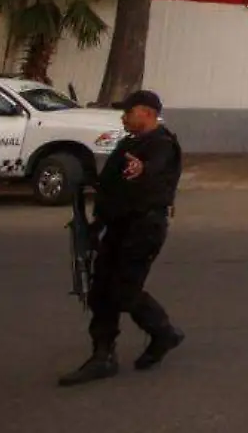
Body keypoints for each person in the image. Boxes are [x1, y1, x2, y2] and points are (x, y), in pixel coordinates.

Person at [59, 90, 185, 387]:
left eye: (128, 111)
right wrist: (95, 223)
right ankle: (102, 356)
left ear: (146, 113)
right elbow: (111, 185)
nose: (123, 117)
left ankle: (163, 333)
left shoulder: (161, 144)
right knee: (101, 291)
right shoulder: (129, 143)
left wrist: (140, 169)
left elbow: (150, 169)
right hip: (116, 226)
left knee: (125, 290)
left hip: (143, 228)